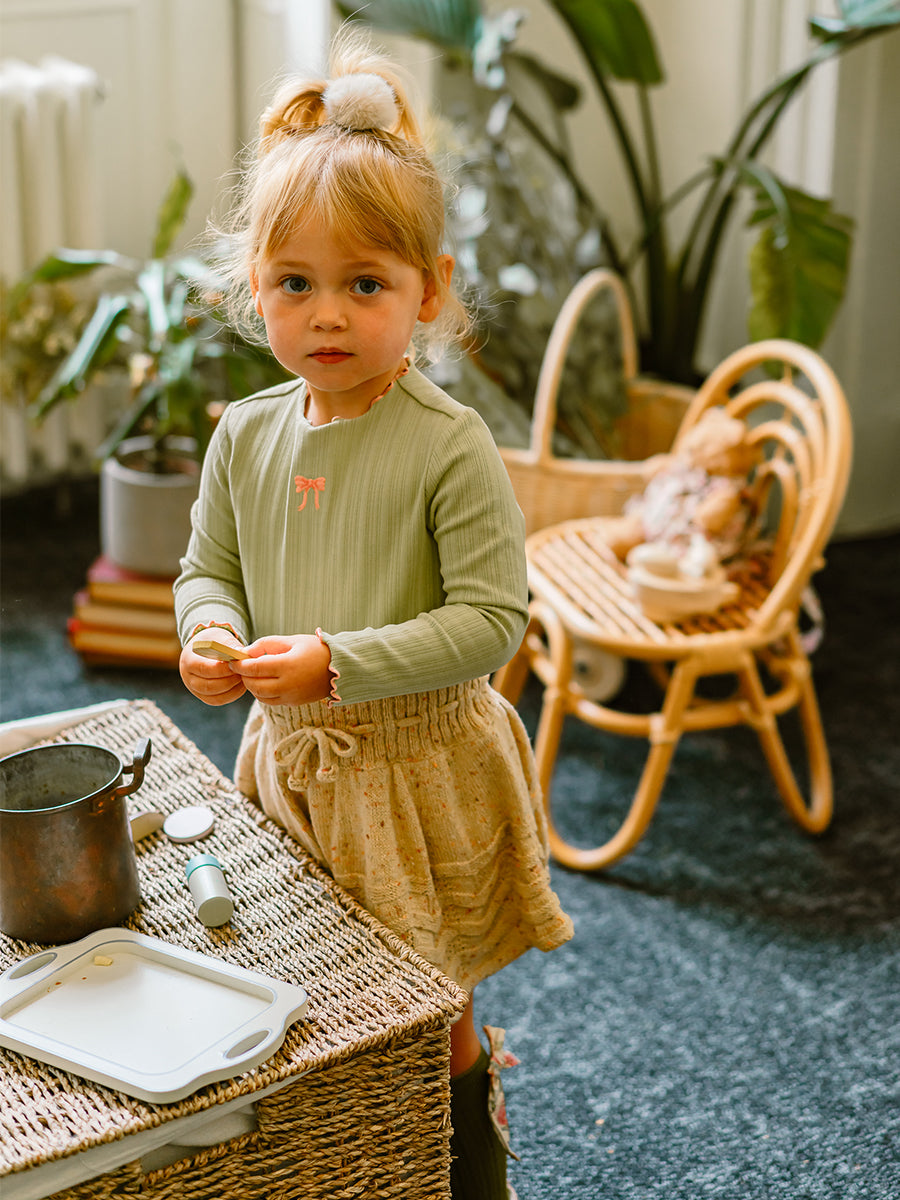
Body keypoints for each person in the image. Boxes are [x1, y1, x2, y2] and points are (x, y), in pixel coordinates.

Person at [174, 28, 573, 1200]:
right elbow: (208, 570)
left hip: (419, 774)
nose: (328, 315)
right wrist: (207, 633)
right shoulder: (246, 438)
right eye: (296, 284)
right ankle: (356, 1163)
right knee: (315, 990)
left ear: (428, 291)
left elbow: (491, 621)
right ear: (255, 289)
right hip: (293, 767)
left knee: (432, 1006)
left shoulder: (449, 446)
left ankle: (469, 1165)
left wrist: (337, 660)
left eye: (366, 284)